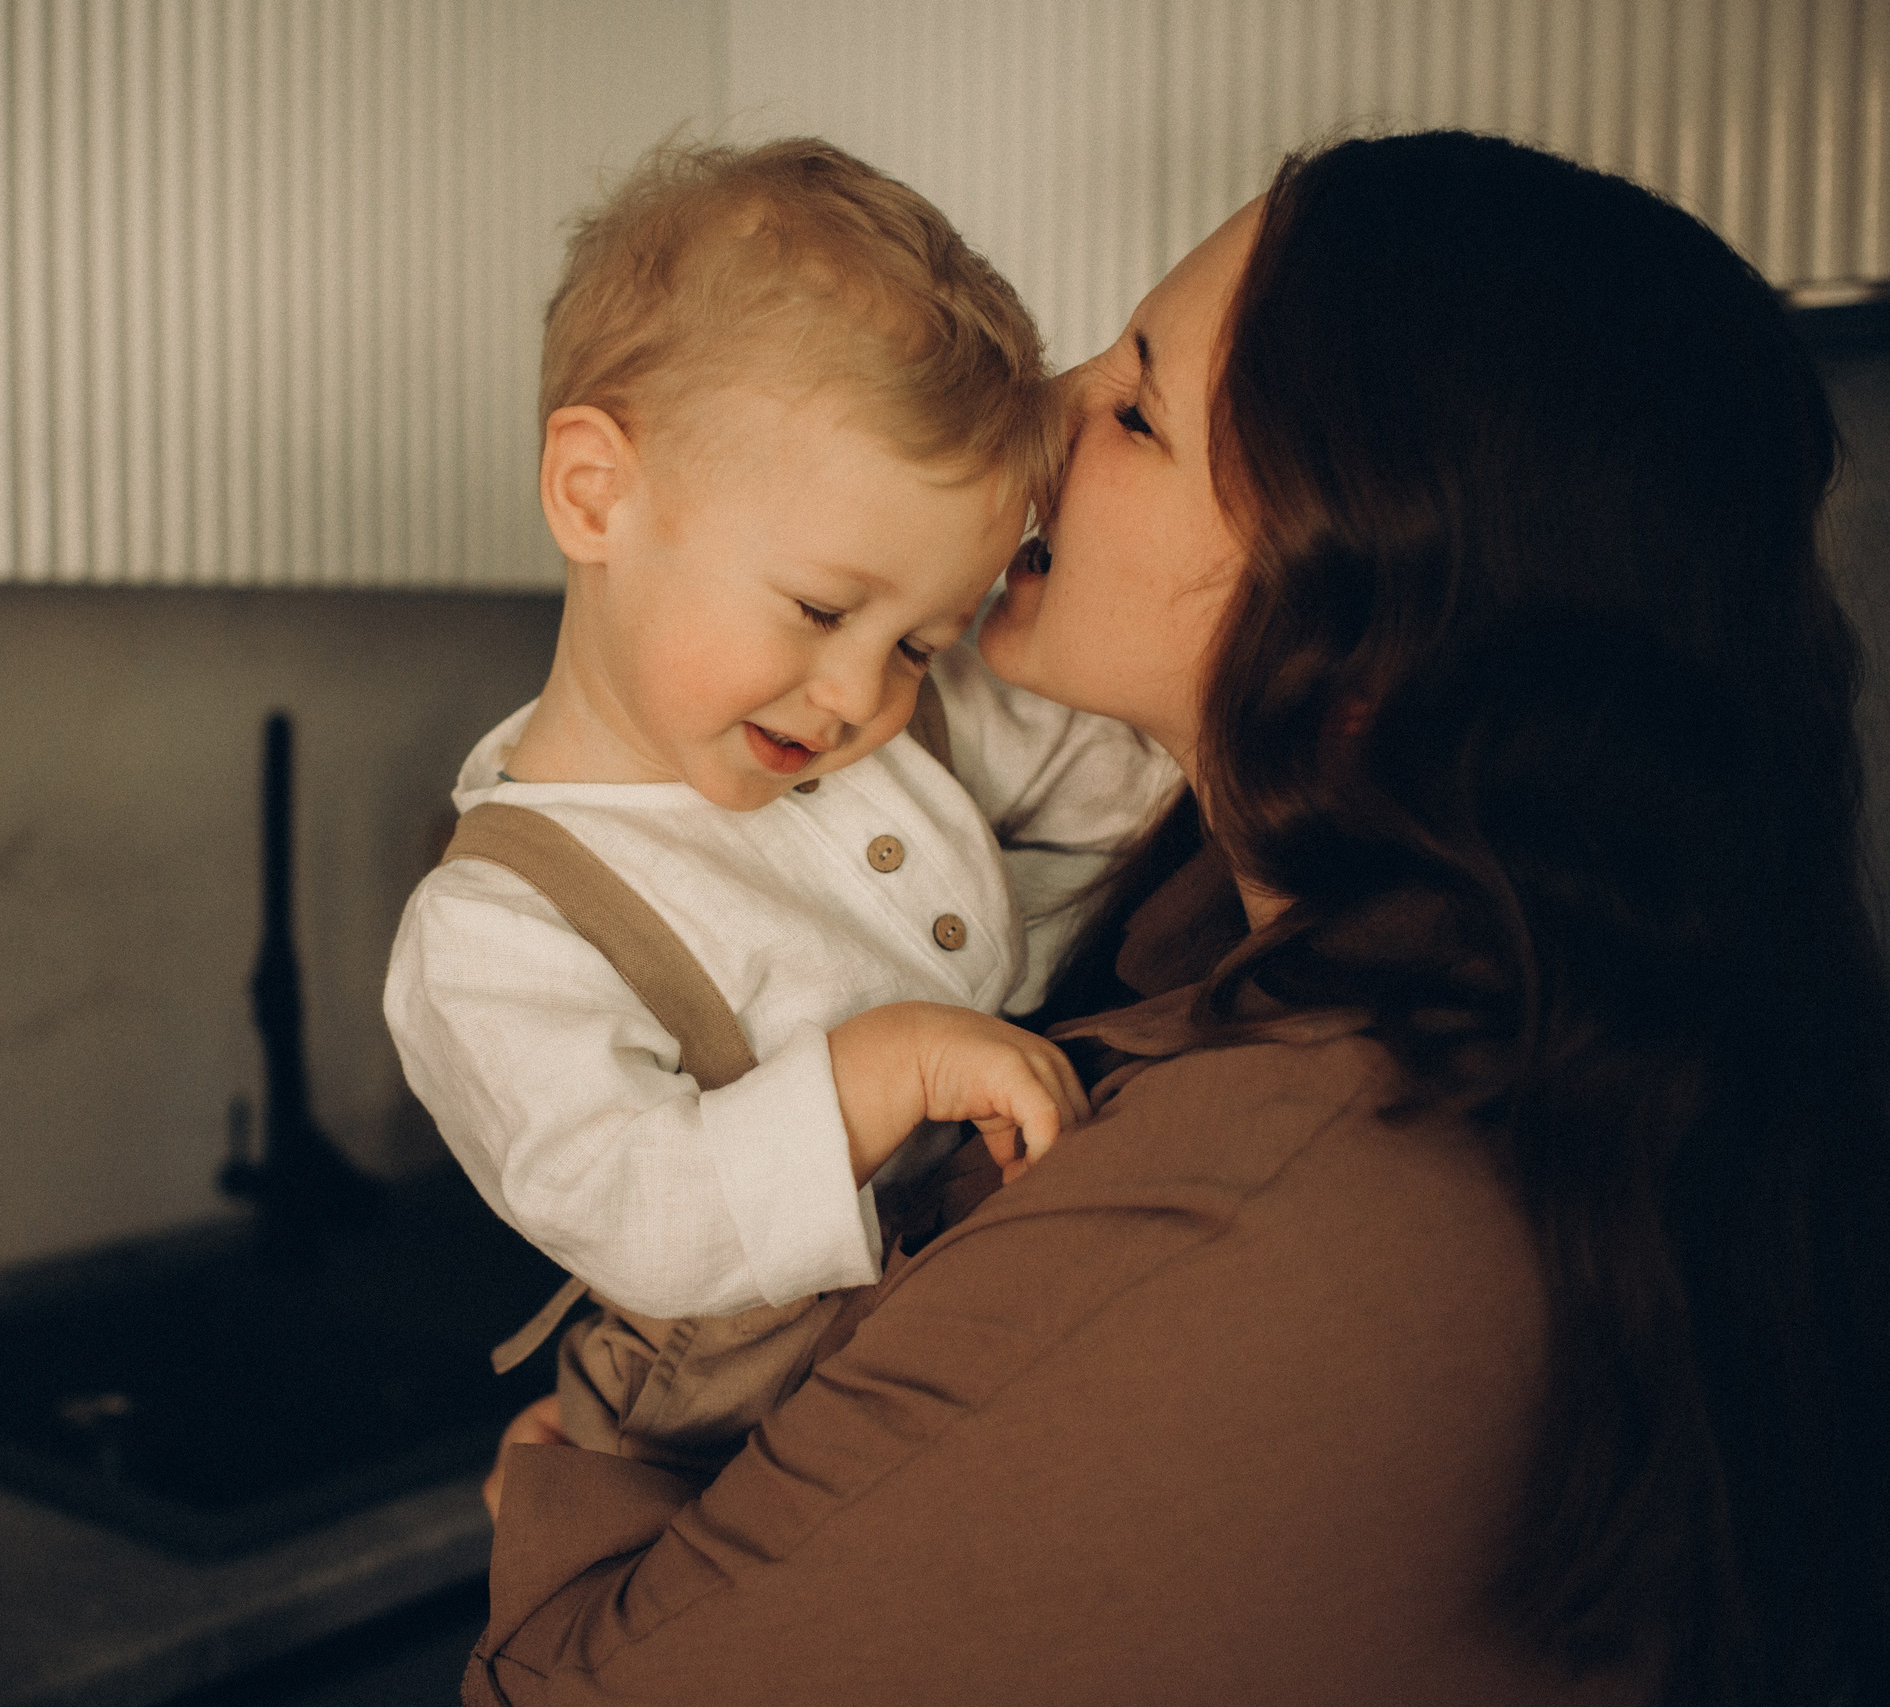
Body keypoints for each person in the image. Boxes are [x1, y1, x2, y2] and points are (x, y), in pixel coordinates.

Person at [467, 131, 1890, 1706]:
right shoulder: (1260, 932)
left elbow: (569, 1691)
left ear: (1361, 639)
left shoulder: (1280, 1199)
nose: (1047, 413)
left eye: (1136, 408)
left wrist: (555, 1494)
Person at [383, 139, 1175, 1472]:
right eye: (821, 609)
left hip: (938, 1328)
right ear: (598, 493)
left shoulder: (895, 724)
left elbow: (1137, 775)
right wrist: (894, 1067)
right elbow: (639, 1211)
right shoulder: (493, 930)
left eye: (923, 640)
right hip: (715, 1422)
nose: (863, 694)